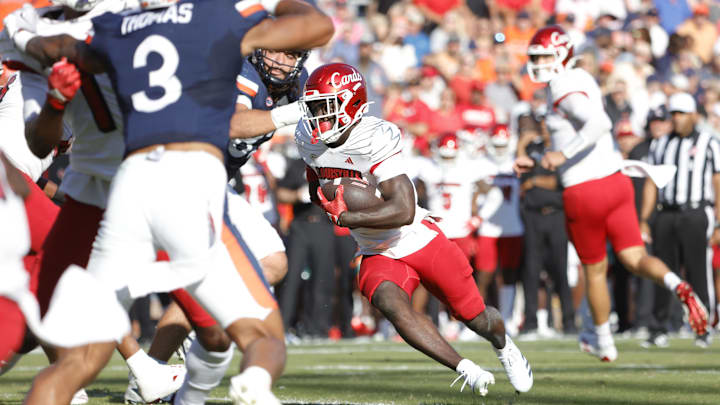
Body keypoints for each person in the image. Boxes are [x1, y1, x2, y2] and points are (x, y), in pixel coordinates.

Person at [13, 1, 334, 404]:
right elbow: (318, 26)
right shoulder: (212, 17)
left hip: (128, 182)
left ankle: (155, 377)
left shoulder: (119, 26)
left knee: (73, 364)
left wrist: (23, 33)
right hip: (189, 181)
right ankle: (252, 383)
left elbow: (62, 48)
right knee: (262, 337)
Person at [297, 62, 533, 396]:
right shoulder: (308, 137)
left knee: (476, 316)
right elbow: (315, 181)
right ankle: (466, 369)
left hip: (415, 237)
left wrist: (347, 218)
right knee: (390, 304)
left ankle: (504, 345)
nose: (319, 116)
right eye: (315, 107)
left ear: (351, 103)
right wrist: (325, 200)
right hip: (375, 249)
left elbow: (403, 210)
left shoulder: (374, 137)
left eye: (327, 106)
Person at [515, 25, 708, 362]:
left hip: (585, 190)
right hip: (616, 182)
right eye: (536, 57)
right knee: (634, 258)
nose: (540, 62)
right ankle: (678, 283)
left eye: (545, 56)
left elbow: (598, 124)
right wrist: (538, 159)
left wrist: (562, 155)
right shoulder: (581, 78)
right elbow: (575, 134)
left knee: (595, 271)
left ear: (562, 54)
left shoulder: (561, 85)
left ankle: (602, 341)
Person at [640, 92, 717, 348]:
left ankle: (703, 327)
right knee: (663, 270)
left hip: (696, 211)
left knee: (698, 270)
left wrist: (718, 220)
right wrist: (644, 218)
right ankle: (659, 326)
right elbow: (652, 182)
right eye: (673, 114)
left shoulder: (709, 142)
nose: (677, 119)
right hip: (666, 212)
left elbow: (718, 182)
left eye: (682, 113)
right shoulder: (660, 144)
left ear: (694, 115)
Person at [516, 116, 575, 337]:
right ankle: (530, 323)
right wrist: (522, 144)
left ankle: (569, 322)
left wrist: (535, 182)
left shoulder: (564, 149)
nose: (545, 130)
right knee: (531, 270)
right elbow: (521, 175)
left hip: (556, 215)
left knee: (560, 270)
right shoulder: (534, 149)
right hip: (533, 216)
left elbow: (561, 182)